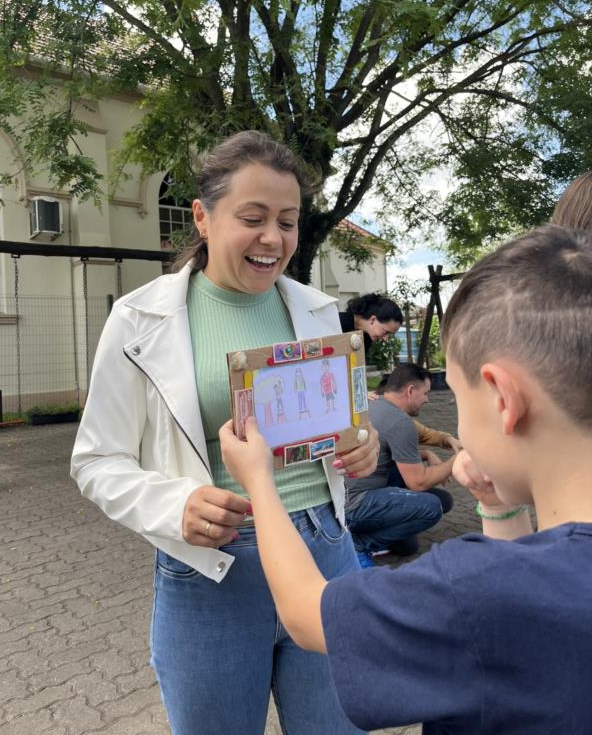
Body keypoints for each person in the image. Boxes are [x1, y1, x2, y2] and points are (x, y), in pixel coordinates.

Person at [219, 224, 592, 734]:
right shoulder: (535, 579)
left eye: (459, 398)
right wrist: (498, 506)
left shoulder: (473, 589)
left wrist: (259, 483)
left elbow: (307, 615)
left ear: (503, 399)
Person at [71, 130, 379, 735]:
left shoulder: (318, 311)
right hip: (212, 567)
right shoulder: (139, 319)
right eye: (253, 217)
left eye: (288, 221)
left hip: (324, 551)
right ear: (203, 218)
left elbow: (340, 425)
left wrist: (362, 447)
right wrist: (175, 503)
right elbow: (96, 460)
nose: (274, 239)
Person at [346, 364, 455, 566]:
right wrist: (459, 460)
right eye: (426, 393)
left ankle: (372, 533)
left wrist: (429, 452)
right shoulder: (399, 422)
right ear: (410, 391)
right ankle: (360, 544)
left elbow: (400, 450)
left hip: (343, 500)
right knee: (433, 506)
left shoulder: (372, 404)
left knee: (408, 546)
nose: (427, 400)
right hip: (356, 505)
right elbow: (418, 483)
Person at [370, 373, 462, 452]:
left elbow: (430, 435)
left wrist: (448, 439)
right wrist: (459, 457)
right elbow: (416, 473)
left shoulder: (399, 420)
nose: (427, 400)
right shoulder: (398, 424)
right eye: (425, 393)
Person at [339, 292, 403, 354]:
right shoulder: (338, 322)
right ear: (373, 320)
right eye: (386, 332)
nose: (386, 339)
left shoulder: (366, 339)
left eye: (390, 334)